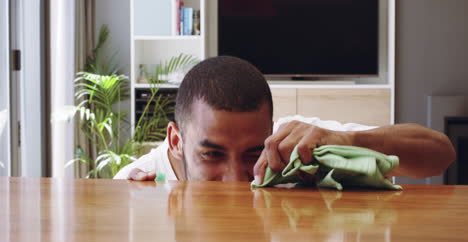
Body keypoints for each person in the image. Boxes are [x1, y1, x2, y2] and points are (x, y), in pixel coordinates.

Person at [114, 56, 455, 184]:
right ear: (176, 142)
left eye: (251, 155)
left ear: (270, 132)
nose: (234, 181)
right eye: (212, 155)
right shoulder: (133, 183)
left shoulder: (295, 145)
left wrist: (349, 141)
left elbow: (440, 154)